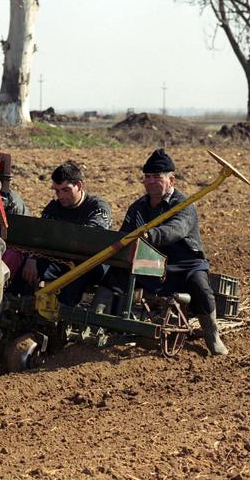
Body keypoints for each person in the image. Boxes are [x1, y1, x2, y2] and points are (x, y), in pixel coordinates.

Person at [90, 149, 228, 355]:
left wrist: (150, 235)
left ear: (171, 180)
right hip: (150, 262)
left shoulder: (184, 205)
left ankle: (212, 334)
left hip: (184, 263)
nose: (150, 181)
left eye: (157, 177)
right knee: (113, 277)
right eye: (147, 177)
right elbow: (125, 234)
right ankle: (94, 325)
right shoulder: (138, 207)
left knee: (200, 287)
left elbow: (176, 229)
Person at [14, 161, 113, 307]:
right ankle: (18, 306)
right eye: (57, 191)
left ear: (79, 185)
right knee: (26, 270)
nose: (61, 196)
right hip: (61, 260)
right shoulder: (53, 208)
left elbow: (91, 237)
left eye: (66, 190)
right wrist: (32, 259)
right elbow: (40, 236)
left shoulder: (98, 209)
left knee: (73, 278)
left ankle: (63, 314)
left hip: (90, 263)